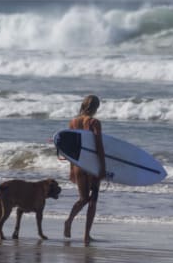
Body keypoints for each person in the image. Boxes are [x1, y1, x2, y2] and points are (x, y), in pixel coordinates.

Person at [63, 94, 106, 244]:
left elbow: (69, 148)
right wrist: (103, 166)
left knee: (83, 199)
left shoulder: (73, 122)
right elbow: (98, 145)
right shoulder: (94, 122)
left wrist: (71, 169)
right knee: (92, 200)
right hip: (92, 165)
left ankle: (69, 221)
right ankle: (86, 235)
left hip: (78, 165)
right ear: (96, 107)